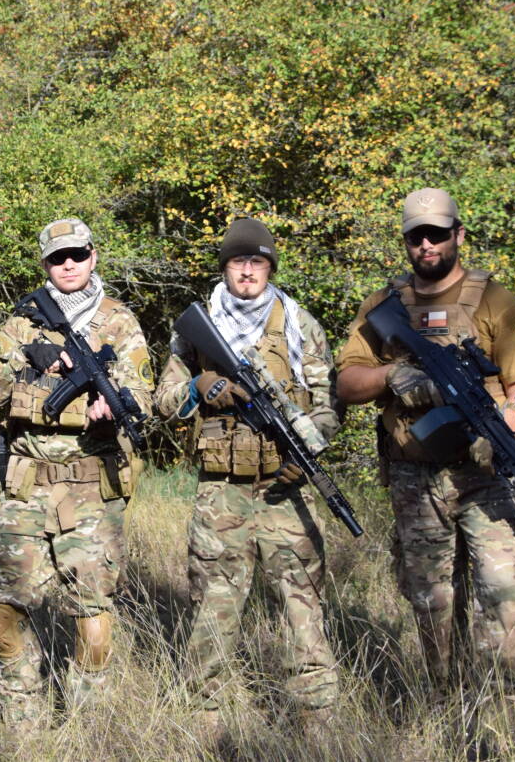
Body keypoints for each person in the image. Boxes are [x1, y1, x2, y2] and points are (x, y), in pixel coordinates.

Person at [335, 187, 515, 702]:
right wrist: (393, 375)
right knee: (432, 601)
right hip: (416, 479)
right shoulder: (383, 307)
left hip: (488, 475)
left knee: (503, 592)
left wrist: (497, 430)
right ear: (406, 242)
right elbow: (347, 383)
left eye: (436, 234)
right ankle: (446, 705)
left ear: (458, 235)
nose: (426, 244)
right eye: (416, 237)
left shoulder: (496, 301)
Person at [153, 218, 342, 732]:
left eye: (258, 262)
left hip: (285, 488)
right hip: (222, 491)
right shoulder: (195, 329)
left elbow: (327, 404)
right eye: (238, 261)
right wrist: (199, 387)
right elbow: (163, 401)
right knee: (214, 603)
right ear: (225, 267)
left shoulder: (300, 325)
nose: (248, 271)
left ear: (270, 267)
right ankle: (205, 715)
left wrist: (309, 449)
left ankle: (316, 716)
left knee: (302, 601)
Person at [0, 218, 153, 726]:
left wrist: (114, 405)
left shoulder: (119, 321)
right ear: (45, 264)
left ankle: (87, 724)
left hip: (92, 483)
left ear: (93, 256)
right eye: (57, 257)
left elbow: (143, 396)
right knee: (2, 606)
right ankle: (22, 716)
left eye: (77, 254)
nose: (68, 264)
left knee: (92, 615)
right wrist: (33, 361)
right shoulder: (21, 322)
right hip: (28, 484)